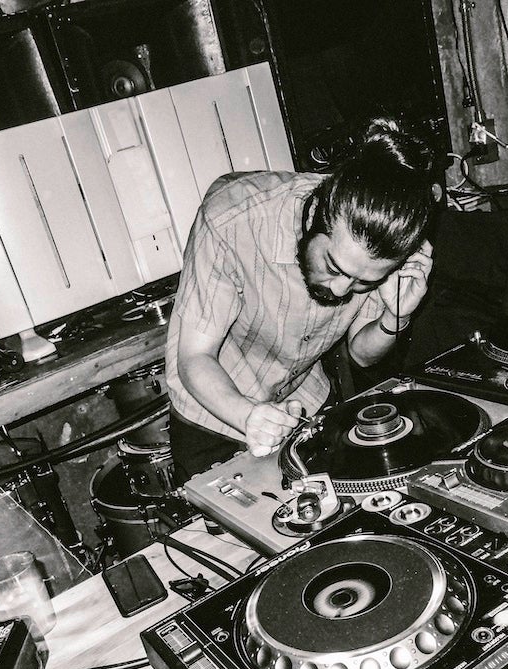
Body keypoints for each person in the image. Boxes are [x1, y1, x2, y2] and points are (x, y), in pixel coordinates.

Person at [165, 117, 435, 480]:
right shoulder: (234, 218)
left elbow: (360, 353)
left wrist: (397, 315)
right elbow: (194, 357)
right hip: (213, 409)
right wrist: (248, 415)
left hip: (302, 403)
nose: (340, 291)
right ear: (316, 215)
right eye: (333, 267)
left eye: (363, 282)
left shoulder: (378, 243)